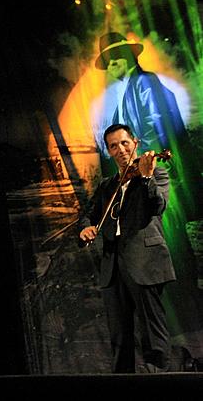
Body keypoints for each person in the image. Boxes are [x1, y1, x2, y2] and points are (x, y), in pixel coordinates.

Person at [79, 124, 176, 373]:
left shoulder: (157, 174)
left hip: (145, 261)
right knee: (119, 338)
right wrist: (85, 228)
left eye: (124, 143)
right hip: (113, 265)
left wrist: (145, 177)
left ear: (135, 143)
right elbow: (88, 214)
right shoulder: (107, 186)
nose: (120, 150)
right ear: (109, 152)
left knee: (152, 334)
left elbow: (157, 206)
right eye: (113, 146)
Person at [92, 32, 187, 159]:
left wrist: (146, 159)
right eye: (107, 60)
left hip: (158, 164)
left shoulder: (143, 80)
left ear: (130, 55)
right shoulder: (125, 91)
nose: (112, 63)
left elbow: (157, 125)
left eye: (116, 55)